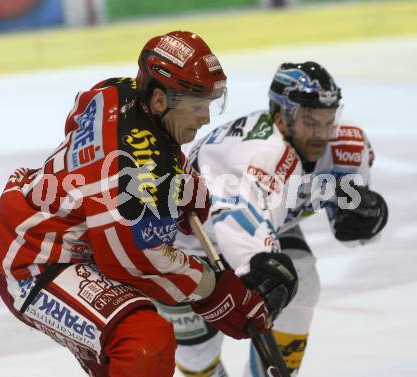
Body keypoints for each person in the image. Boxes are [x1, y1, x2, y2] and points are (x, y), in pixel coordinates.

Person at [0, 31, 297, 377]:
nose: (206, 118)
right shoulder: (135, 178)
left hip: (41, 227)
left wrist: (182, 187)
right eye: (196, 107)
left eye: (209, 104)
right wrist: (219, 294)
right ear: (160, 100)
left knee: (125, 359)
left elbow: (80, 114)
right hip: (35, 261)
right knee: (144, 341)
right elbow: (134, 259)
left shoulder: (116, 90)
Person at [158, 61, 388, 377]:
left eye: (327, 120)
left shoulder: (345, 146)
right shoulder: (262, 155)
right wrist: (259, 262)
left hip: (257, 225)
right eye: (310, 121)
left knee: (303, 280)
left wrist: (368, 217)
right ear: (281, 117)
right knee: (199, 359)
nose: (321, 134)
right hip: (185, 243)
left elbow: (352, 223)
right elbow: (238, 219)